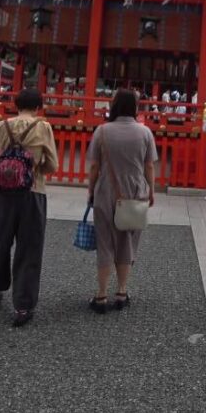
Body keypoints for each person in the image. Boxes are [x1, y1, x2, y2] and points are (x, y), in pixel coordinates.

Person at [0, 89, 59, 327]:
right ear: (38, 106)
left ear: (16, 104)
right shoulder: (43, 127)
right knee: (29, 248)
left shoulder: (1, 126)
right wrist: (34, 168)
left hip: (2, 193)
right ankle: (22, 305)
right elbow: (52, 165)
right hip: (32, 192)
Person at [85, 89, 157, 314]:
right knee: (126, 241)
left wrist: (91, 190)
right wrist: (151, 190)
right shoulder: (145, 133)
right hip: (134, 191)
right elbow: (149, 166)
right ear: (134, 108)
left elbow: (95, 165)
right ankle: (122, 291)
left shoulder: (102, 131)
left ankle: (101, 294)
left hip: (106, 189)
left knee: (104, 242)